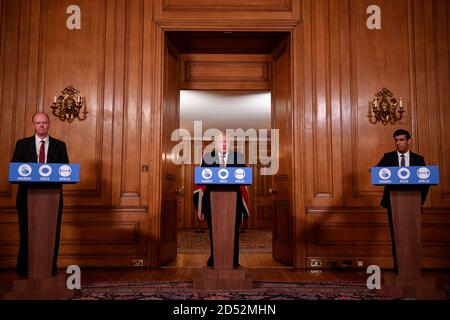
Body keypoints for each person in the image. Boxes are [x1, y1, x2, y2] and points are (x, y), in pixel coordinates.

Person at [11, 112, 69, 277]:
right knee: (26, 235)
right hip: (26, 197)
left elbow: (66, 170)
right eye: (38, 123)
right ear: (33, 125)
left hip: (52, 199)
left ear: (49, 124)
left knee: (52, 236)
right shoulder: (22, 144)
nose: (41, 125)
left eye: (44, 122)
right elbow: (15, 169)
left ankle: (50, 271)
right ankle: (24, 272)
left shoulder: (60, 145)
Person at [193, 132, 249, 268]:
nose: (224, 144)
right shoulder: (207, 157)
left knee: (233, 231)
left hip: (233, 201)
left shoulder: (238, 157)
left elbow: (242, 177)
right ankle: (214, 259)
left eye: (226, 142)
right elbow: (202, 178)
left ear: (229, 144)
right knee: (215, 231)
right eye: (221, 141)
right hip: (213, 201)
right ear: (215, 144)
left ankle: (234, 260)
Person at [376, 129, 428, 273]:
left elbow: (426, 182)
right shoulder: (388, 157)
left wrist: (419, 203)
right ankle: (399, 270)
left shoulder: (418, 159)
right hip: (394, 204)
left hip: (414, 203)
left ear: (408, 141)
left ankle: (413, 270)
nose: (399, 143)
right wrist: (374, 170)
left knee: (412, 236)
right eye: (396, 140)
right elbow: (378, 171)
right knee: (396, 236)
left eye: (402, 140)